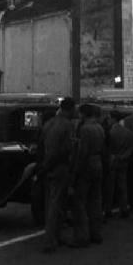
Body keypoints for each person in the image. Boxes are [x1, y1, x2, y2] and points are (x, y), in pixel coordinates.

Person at [40, 97, 76, 253]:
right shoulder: (67, 125)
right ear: (71, 109)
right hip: (59, 166)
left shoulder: (48, 124)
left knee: (53, 203)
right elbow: (66, 149)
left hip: (47, 166)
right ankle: (50, 241)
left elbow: (42, 146)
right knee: (56, 204)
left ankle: (57, 236)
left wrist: (44, 166)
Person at [70, 103, 105, 247]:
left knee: (80, 202)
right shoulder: (99, 128)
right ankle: (96, 233)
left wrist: (75, 170)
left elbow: (83, 152)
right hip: (98, 164)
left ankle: (82, 237)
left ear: (84, 114)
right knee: (95, 201)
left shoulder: (85, 129)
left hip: (86, 166)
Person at [104, 110, 133, 219]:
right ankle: (124, 208)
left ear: (113, 119)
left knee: (110, 187)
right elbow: (131, 148)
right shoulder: (128, 133)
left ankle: (108, 209)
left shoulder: (110, 132)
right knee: (123, 186)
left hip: (112, 161)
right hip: (124, 161)